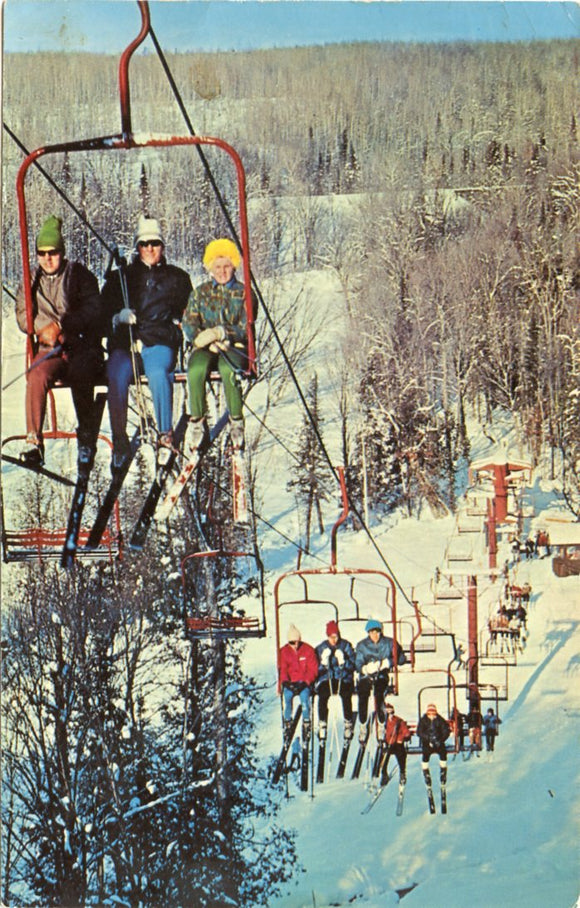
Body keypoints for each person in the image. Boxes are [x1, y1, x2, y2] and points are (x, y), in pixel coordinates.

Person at [101, 216, 192, 469]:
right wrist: (117, 318)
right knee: (116, 374)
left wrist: (183, 327)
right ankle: (119, 441)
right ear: (137, 247)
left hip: (159, 340)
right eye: (144, 244)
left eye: (155, 243)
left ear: (162, 246)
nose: (150, 249)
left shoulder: (177, 278)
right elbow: (101, 315)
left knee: (157, 372)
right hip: (127, 343)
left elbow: (189, 313)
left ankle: (165, 435)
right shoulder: (121, 279)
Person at [15, 215, 103, 467]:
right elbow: (22, 313)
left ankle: (86, 434)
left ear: (61, 253)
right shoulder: (31, 281)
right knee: (36, 375)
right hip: (49, 348)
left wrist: (63, 325)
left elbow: (93, 309)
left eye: (52, 253)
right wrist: (41, 329)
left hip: (79, 346)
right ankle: (34, 441)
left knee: (81, 372)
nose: (47, 259)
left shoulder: (79, 275)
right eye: (42, 253)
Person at [182, 238, 253, 452]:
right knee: (195, 369)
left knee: (228, 369)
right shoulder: (200, 293)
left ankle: (236, 421)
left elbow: (245, 325)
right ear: (210, 268)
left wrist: (223, 333)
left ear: (233, 266)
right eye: (217, 267)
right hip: (206, 347)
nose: (222, 271)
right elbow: (189, 321)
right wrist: (200, 337)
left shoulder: (243, 293)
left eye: (226, 266)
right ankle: (197, 422)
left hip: (233, 347)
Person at [354, 618, 406, 743]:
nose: (375, 635)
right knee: (363, 694)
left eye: (377, 632)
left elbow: (401, 658)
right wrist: (365, 669)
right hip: (367, 675)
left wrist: (388, 662)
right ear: (368, 633)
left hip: (381, 674)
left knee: (379, 694)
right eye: (372, 632)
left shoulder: (389, 643)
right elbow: (358, 663)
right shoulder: (362, 645)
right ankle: (363, 724)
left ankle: (381, 724)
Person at [315, 620, 356, 741]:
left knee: (346, 694)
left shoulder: (346, 646)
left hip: (342, 677)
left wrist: (343, 662)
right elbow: (315, 669)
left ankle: (348, 721)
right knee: (323, 694)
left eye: (336, 636)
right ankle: (322, 722)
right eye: (331, 637)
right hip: (327, 678)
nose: (334, 640)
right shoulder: (321, 648)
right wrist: (323, 663)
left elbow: (354, 665)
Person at [278, 624, 319, 742]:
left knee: (305, 699)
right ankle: (287, 722)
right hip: (291, 682)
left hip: (303, 682)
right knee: (287, 697)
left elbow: (312, 669)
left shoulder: (308, 650)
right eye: (292, 643)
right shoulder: (284, 652)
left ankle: (306, 723)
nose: (295, 645)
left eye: (297, 642)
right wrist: (285, 682)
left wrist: (306, 682)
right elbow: (283, 669)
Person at [380, 700, 412, 784]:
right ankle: (384, 773)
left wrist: (401, 738)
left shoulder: (398, 721)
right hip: (388, 743)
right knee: (384, 755)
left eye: (391, 713)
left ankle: (402, 772)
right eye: (388, 714)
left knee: (401, 753)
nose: (390, 716)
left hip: (397, 743)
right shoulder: (384, 723)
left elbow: (405, 731)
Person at [416, 703, 450, 778]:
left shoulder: (440, 720)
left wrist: (440, 740)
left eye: (433, 713)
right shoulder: (423, 720)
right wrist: (428, 738)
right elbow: (419, 732)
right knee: (425, 753)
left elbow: (446, 731)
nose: (431, 715)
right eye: (430, 713)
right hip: (427, 741)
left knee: (443, 752)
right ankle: (425, 770)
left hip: (438, 740)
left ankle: (443, 769)